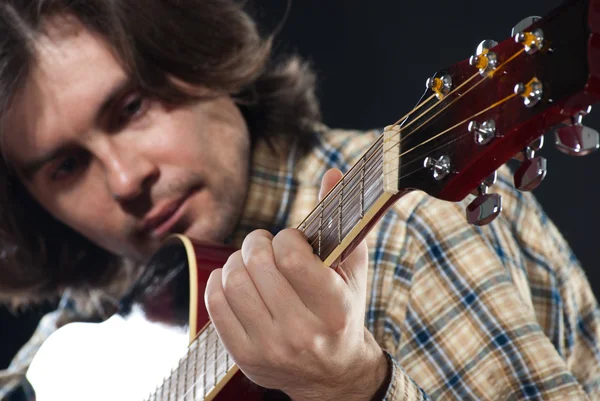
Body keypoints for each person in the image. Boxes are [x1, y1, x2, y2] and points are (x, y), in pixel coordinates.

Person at [0, 0, 598, 400]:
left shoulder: (410, 231)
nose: (125, 178)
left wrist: (356, 385)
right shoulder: (88, 334)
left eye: (131, 108)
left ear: (199, 59)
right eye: (67, 166)